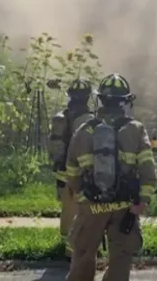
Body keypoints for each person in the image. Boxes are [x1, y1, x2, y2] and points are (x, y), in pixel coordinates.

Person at [64, 73, 157, 281]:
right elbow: (148, 172)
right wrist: (142, 201)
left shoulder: (84, 130)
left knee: (83, 256)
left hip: (92, 205)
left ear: (100, 100)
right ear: (125, 101)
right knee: (121, 260)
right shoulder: (136, 129)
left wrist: (81, 196)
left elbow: (71, 170)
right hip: (124, 207)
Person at [48, 78, 94, 259]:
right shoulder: (90, 119)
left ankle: (66, 246)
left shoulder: (61, 118)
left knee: (68, 210)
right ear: (87, 97)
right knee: (84, 210)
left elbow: (54, 149)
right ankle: (77, 249)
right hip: (83, 173)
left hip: (63, 173)